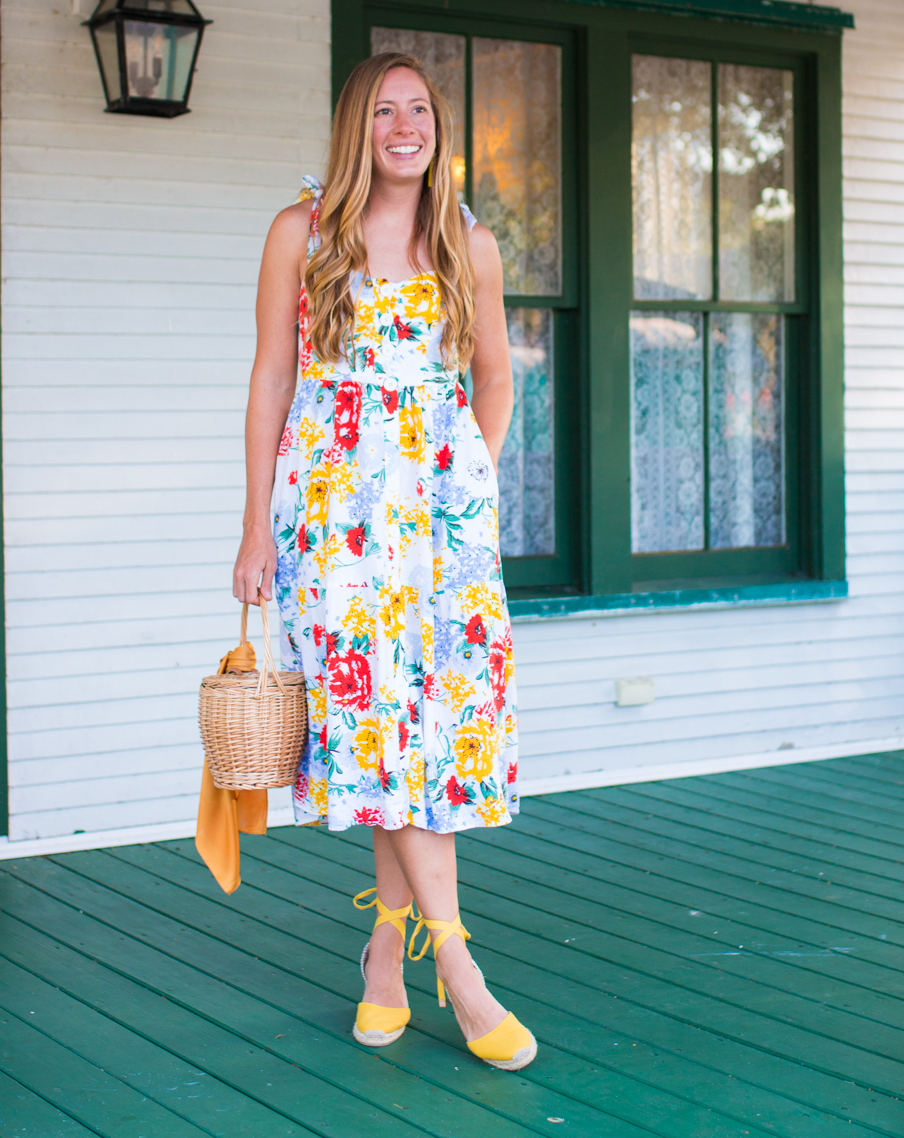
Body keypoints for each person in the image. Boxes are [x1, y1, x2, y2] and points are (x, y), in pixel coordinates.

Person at [232, 52, 535, 1071]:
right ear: (354, 126)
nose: (403, 125)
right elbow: (273, 377)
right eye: (383, 110)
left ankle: (380, 960)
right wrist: (252, 526)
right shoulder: (302, 231)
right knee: (373, 725)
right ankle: (459, 967)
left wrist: (461, 488)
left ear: (437, 128)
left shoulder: (469, 244)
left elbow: (495, 380)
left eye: (419, 109)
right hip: (330, 518)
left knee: (421, 729)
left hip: (442, 525)